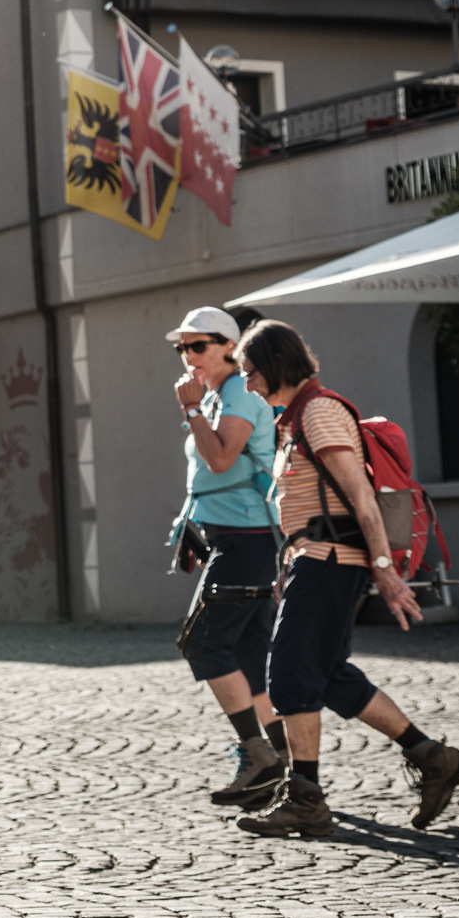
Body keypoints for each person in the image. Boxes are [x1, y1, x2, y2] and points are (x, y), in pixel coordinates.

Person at [231, 319, 459, 843]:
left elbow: (361, 498)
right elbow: (309, 503)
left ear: (275, 365)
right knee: (329, 674)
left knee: (289, 677)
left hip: (330, 563)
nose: (248, 384)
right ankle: (436, 759)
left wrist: (386, 573)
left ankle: (306, 800)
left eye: (251, 372)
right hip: (313, 561)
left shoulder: (319, 412)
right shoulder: (294, 418)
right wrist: (289, 562)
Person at [163, 306, 289, 807]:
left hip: (246, 538)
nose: (188, 356)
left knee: (205, 646)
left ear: (228, 348)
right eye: (182, 348)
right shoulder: (220, 395)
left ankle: (258, 754)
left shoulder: (237, 393)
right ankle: (284, 770)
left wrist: (191, 411)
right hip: (229, 536)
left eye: (197, 346)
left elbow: (220, 458)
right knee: (250, 658)